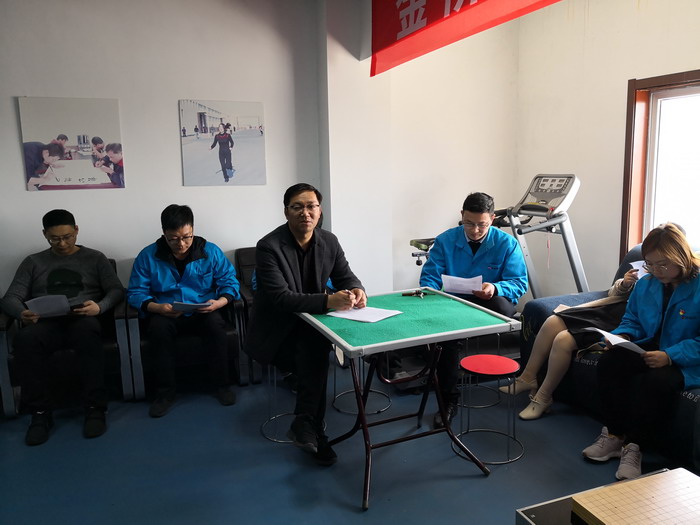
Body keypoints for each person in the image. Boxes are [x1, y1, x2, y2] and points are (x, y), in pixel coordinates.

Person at [244, 183, 366, 466]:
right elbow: (282, 298)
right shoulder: (268, 247)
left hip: (311, 327)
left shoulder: (329, 241)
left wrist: (357, 289)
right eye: (297, 207)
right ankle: (313, 429)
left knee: (315, 345)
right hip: (276, 333)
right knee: (315, 350)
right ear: (286, 211)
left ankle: (306, 424)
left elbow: (346, 275)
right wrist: (329, 301)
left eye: (311, 206)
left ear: (320, 211)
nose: (305, 213)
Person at [581, 223, 700, 480]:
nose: (656, 271)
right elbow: (633, 318)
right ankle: (614, 435)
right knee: (611, 362)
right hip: (652, 344)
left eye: (663, 264)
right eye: (650, 264)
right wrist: (623, 336)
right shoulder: (646, 283)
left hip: (688, 359)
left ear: (681, 257)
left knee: (657, 380)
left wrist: (670, 356)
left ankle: (634, 447)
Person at [1, 209, 124, 445]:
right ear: (44, 234)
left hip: (82, 317)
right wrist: (21, 313)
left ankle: (94, 408)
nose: (62, 244)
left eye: (67, 237)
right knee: (26, 340)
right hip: (45, 321)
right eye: (54, 239)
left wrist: (99, 307)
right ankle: (40, 414)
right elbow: (10, 298)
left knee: (88, 332)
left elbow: (116, 290)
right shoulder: (33, 262)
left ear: (76, 230)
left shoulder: (95, 258)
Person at [419, 192, 528, 428]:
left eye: (482, 225)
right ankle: (448, 401)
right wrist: (434, 292)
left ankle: (460, 338)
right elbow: (429, 277)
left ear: (492, 219)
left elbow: (519, 282)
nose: (475, 230)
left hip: (488, 302)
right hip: (452, 303)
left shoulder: (507, 243)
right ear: (461, 216)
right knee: (447, 338)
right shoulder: (446, 240)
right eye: (469, 223)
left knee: (502, 305)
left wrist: (496, 288)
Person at [127, 204, 240, 418]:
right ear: (164, 234)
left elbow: (229, 281)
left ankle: (222, 385)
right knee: (158, 331)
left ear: (193, 230)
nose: (181, 244)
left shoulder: (210, 251)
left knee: (216, 326)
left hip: (203, 309)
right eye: (174, 239)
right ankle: (165, 393)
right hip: (166, 311)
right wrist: (157, 307)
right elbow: (135, 292)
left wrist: (219, 302)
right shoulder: (148, 256)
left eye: (187, 237)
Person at [501, 268, 640, 420]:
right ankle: (527, 377)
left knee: (563, 339)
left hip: (622, 322)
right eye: (648, 264)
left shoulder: (658, 287)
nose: (651, 267)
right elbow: (612, 293)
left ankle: (543, 397)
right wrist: (624, 284)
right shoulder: (646, 276)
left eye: (655, 264)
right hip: (609, 309)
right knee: (552, 321)